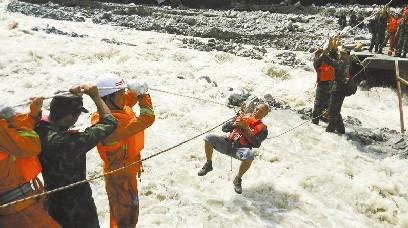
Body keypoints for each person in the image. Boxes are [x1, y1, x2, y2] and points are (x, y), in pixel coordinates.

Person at [35, 85, 118, 228]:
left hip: (52, 202)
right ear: (69, 117)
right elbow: (110, 122)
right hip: (78, 207)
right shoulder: (69, 142)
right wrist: (95, 96)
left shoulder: (38, 129)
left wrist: (74, 97)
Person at [91, 73, 155, 227]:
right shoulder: (111, 126)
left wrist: (133, 91)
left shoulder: (110, 111)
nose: (124, 98)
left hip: (126, 172)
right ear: (106, 100)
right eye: (120, 94)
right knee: (125, 220)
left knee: (124, 217)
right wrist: (143, 96)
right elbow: (147, 117)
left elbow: (125, 103)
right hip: (121, 177)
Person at [0, 97, 61, 227]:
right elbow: (32, 146)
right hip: (19, 209)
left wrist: (32, 115)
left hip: (15, 207)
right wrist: (13, 118)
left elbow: (14, 137)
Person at [197, 103, 269, 194]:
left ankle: (238, 179)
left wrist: (247, 129)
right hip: (227, 143)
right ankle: (208, 164)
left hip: (240, 150)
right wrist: (234, 123)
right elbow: (224, 128)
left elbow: (256, 144)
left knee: (250, 155)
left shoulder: (263, 129)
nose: (257, 111)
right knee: (209, 137)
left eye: (261, 111)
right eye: (256, 109)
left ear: (264, 115)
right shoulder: (243, 116)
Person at [320, 39, 351, 134]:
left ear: (347, 55)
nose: (341, 54)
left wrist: (325, 54)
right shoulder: (346, 61)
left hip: (338, 89)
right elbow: (334, 58)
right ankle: (341, 129)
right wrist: (332, 50)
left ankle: (330, 129)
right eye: (341, 53)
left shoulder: (343, 63)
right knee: (335, 109)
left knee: (333, 111)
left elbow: (332, 63)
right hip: (337, 88)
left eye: (343, 53)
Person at [311, 47, 336, 125]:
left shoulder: (328, 60)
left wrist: (332, 50)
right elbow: (319, 62)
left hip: (331, 85)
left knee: (327, 103)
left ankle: (324, 118)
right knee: (318, 104)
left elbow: (334, 60)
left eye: (319, 52)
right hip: (322, 85)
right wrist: (324, 54)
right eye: (317, 53)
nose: (317, 54)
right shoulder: (317, 61)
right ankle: (315, 121)